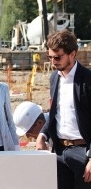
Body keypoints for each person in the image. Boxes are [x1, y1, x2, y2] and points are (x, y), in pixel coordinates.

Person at [36, 29, 91, 188]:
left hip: (83, 153)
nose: (53, 62)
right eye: (50, 57)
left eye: (57, 57)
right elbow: (54, 113)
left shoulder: (88, 80)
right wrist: (42, 135)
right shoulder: (54, 78)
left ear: (72, 54)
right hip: (59, 152)